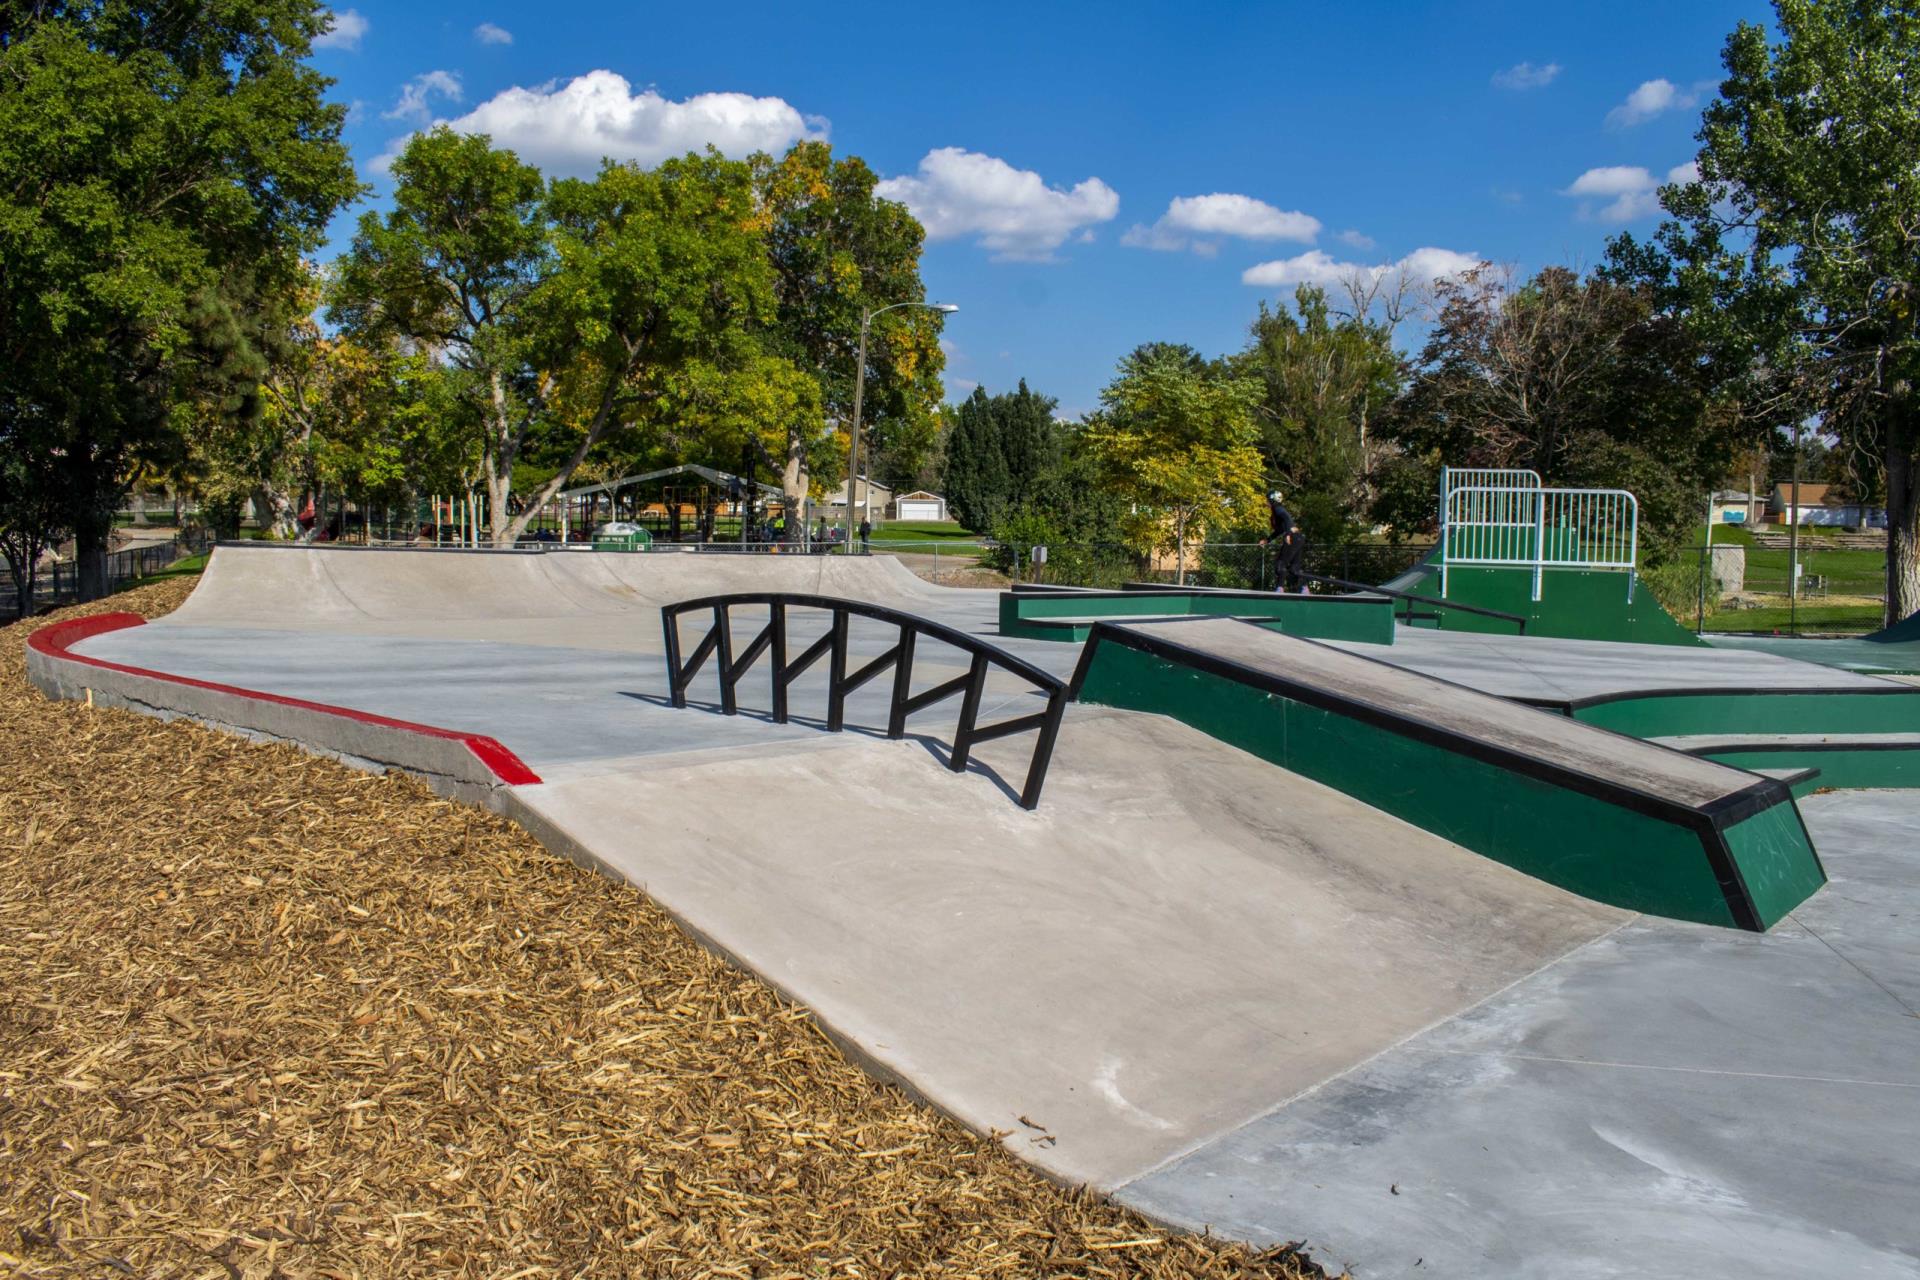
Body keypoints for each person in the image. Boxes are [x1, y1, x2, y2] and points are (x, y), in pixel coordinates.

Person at [1261, 489, 1307, 594]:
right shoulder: (1277, 511)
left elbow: (1287, 519)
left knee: (1280, 565)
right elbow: (1280, 530)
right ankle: (1305, 588)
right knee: (1295, 568)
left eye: (1268, 500)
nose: (1266, 502)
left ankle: (1280, 589)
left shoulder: (1278, 509)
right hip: (1298, 538)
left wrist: (1288, 534)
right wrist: (1267, 540)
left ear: (1273, 501)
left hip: (1293, 537)